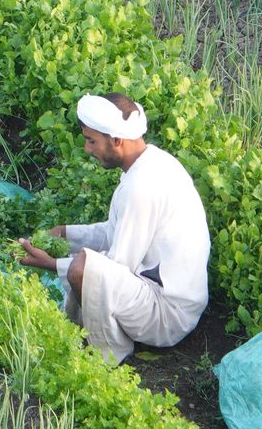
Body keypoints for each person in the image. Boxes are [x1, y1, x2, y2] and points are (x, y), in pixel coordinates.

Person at [17, 93, 210, 363]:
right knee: (84, 263)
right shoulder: (148, 164)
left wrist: (53, 263)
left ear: (116, 140)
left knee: (84, 269)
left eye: (91, 141)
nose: (87, 149)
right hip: (164, 296)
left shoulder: (142, 187)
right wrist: (65, 234)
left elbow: (114, 267)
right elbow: (114, 231)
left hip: (168, 314)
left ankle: (107, 353)